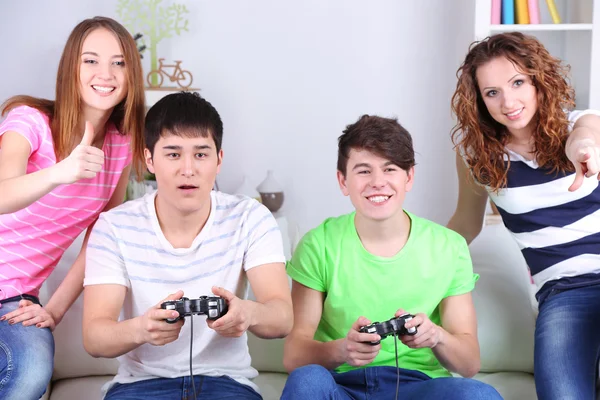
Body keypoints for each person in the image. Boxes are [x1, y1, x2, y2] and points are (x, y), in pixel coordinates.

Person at [82, 91, 293, 399]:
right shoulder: (114, 226)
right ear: (148, 160)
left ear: (219, 160)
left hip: (226, 382)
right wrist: (142, 329)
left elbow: (282, 317)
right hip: (141, 384)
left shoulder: (251, 218)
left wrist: (247, 313)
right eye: (173, 153)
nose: (188, 169)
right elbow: (94, 337)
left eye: (201, 154)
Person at [281, 115, 501, 400]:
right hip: (342, 384)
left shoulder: (449, 247)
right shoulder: (319, 244)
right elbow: (293, 355)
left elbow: (469, 364)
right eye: (363, 171)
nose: (377, 182)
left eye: (390, 169)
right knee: (306, 380)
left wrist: (435, 336)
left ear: (409, 177)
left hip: (418, 385)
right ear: (343, 180)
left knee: (479, 395)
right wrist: (342, 350)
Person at [448, 31, 600, 400]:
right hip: (564, 291)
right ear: (479, 101)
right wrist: (408, 255)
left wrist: (583, 146)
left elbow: (587, 134)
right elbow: (465, 225)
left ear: (538, 81)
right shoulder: (477, 158)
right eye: (492, 92)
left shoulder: (580, 123)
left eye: (517, 83)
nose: (509, 101)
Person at [0, 16, 145, 400]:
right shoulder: (28, 121)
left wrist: (55, 310)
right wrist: (60, 172)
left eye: (119, 62)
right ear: (71, 68)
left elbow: (103, 233)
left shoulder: (122, 145)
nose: (106, 73)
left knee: (30, 374)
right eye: (91, 60)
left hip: (13, 301)